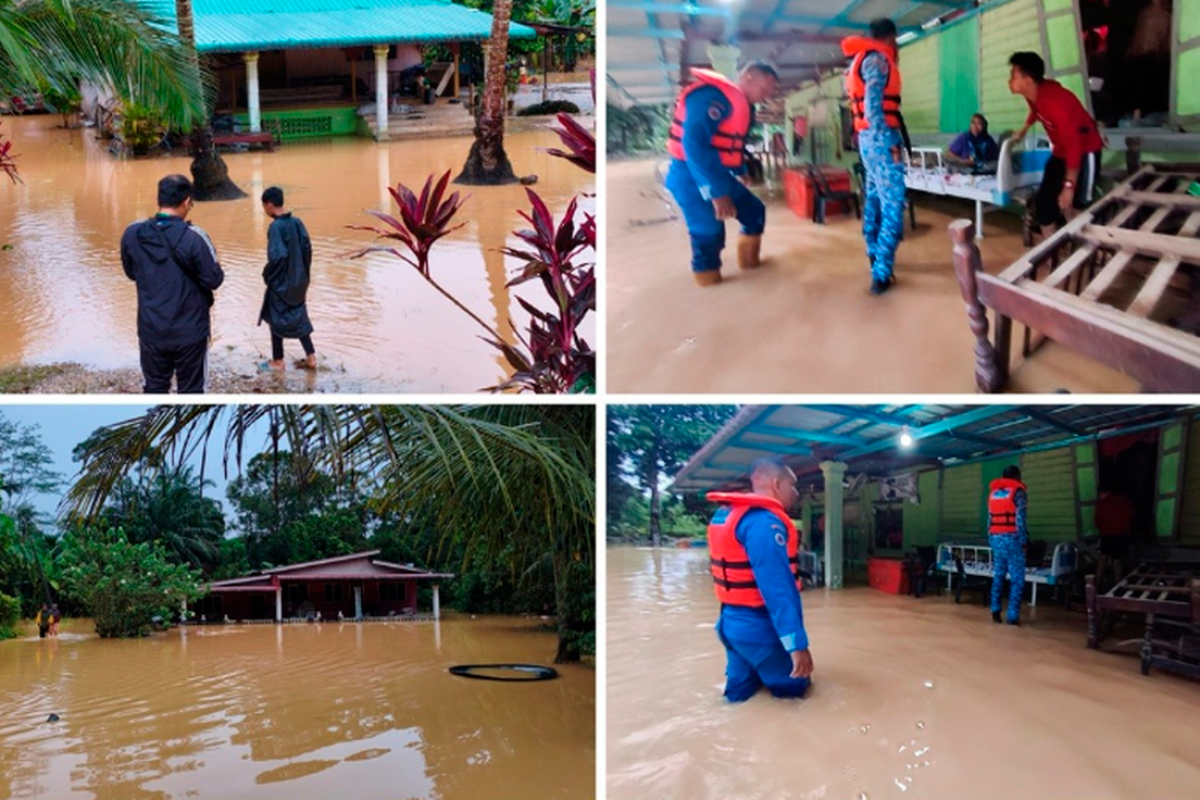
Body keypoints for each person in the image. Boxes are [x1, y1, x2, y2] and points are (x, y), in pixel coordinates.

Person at [707, 457, 814, 702]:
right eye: (793, 485)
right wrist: (797, 645)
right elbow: (777, 589)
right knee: (796, 696)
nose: (796, 492)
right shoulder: (765, 523)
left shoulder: (729, 515)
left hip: (730, 624)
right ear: (777, 484)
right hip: (760, 628)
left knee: (737, 697)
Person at [665, 62, 779, 286]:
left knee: (755, 211)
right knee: (708, 230)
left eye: (770, 92)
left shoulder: (745, 107)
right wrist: (716, 193)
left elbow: (729, 145)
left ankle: (750, 265)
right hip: (688, 174)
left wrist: (739, 170)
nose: (766, 96)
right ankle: (708, 279)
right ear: (747, 78)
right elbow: (694, 144)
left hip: (717, 172)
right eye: (764, 89)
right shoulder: (711, 95)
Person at [121, 175, 225, 393]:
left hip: (151, 329)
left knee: (155, 388)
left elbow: (132, 273)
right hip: (191, 332)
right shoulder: (195, 237)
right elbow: (213, 280)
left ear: (159, 199)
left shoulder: (132, 234)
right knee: (192, 391)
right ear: (187, 202)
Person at [843, 18, 909, 296]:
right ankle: (882, 272)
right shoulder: (878, 60)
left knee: (874, 198)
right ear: (891, 38)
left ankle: (873, 253)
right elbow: (872, 108)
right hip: (881, 138)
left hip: (867, 141)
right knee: (894, 204)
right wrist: (888, 141)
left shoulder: (859, 60)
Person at [1008, 52, 1104, 238]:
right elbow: (1035, 112)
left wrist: (1069, 186)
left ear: (1027, 80)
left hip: (1085, 151)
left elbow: (1074, 144)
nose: (1009, 80)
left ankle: (1090, 250)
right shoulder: (1034, 95)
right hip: (1061, 153)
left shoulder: (1057, 100)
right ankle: (1050, 253)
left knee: (1072, 205)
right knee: (1045, 205)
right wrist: (1024, 129)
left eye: (1014, 76)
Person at [259, 187, 316, 370]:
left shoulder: (276, 227)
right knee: (299, 318)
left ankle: (278, 361)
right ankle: (311, 356)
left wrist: (268, 275)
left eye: (264, 206)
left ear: (269, 204)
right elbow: (307, 249)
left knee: (275, 318)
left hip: (281, 282)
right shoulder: (297, 222)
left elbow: (278, 257)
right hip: (299, 281)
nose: (265, 210)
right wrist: (303, 274)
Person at [987, 465, 1028, 625]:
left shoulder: (993, 494)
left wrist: (991, 539)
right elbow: (1020, 520)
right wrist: (1023, 541)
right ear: (1016, 477)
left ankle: (995, 611)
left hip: (996, 539)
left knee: (998, 575)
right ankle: (1012, 617)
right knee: (1017, 578)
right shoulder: (1018, 493)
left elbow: (989, 520)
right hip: (1013, 539)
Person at [1094, 484, 1136, 591]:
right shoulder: (1126, 502)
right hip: (1122, 536)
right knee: (1118, 565)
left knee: (1102, 563)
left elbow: (1097, 521)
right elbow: (1132, 518)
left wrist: (1103, 530)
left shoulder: (1102, 503)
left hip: (1107, 536)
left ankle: (1096, 587)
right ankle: (1118, 589)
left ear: (1103, 492)